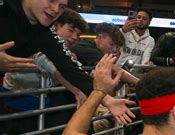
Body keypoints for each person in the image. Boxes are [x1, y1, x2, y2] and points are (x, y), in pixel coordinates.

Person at [0, 0, 136, 124]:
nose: (55, 9)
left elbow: (71, 69)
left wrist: (107, 100)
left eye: (62, 6)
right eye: (51, 0)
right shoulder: (5, 9)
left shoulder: (45, 35)